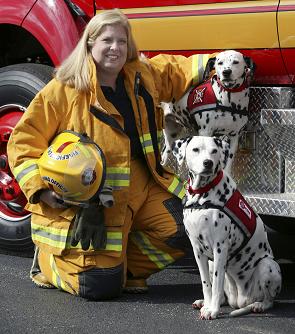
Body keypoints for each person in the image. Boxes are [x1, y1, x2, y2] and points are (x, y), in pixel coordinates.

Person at [7, 8, 212, 300]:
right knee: (99, 287)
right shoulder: (64, 89)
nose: (115, 48)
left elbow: (173, 71)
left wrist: (215, 64)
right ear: (90, 44)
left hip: (142, 185)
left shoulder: (140, 76)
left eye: (122, 41)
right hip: (93, 204)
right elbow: (22, 142)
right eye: (107, 40)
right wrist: (40, 190)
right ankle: (49, 264)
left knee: (190, 226)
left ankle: (125, 268)